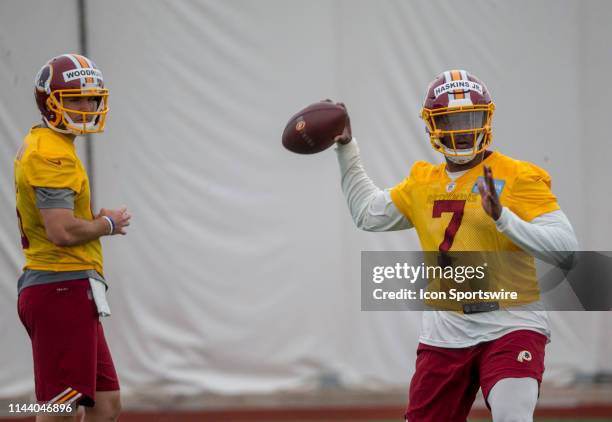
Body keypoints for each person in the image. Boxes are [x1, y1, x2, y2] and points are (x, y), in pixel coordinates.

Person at [332, 70, 578, 421]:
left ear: (486, 118)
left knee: (513, 416)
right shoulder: (422, 182)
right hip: (447, 327)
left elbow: (566, 249)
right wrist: (346, 148)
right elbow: (367, 213)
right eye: (451, 119)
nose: (462, 130)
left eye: (470, 118)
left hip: (512, 319)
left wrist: (504, 219)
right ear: (433, 124)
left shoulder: (518, 176)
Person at [14, 54, 131, 422]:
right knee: (60, 409)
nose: (87, 107)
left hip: (72, 287)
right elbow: (61, 231)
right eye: (75, 99)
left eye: (91, 98)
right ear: (49, 102)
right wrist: (107, 224)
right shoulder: (51, 153)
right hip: (59, 287)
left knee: (106, 403)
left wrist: (91, 222)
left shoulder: (53, 144)